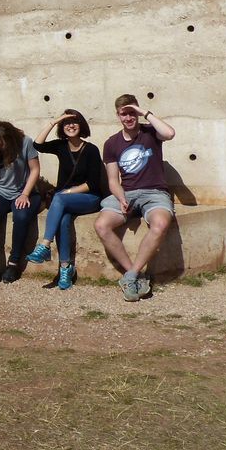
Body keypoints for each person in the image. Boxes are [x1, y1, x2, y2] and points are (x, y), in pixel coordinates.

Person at [95, 94, 177, 302]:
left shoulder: (150, 132)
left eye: (133, 112)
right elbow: (113, 180)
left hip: (154, 192)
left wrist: (146, 114)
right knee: (102, 225)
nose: (129, 118)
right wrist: (121, 198)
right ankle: (134, 274)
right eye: (125, 113)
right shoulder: (111, 143)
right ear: (118, 116)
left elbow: (170, 133)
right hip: (127, 192)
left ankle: (130, 275)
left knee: (160, 224)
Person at [26, 109, 106, 289]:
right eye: (66, 123)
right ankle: (65, 268)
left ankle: (45, 245)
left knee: (59, 199)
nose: (70, 125)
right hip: (66, 200)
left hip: (89, 197)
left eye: (74, 122)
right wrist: (55, 121)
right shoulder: (61, 146)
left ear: (82, 125)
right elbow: (38, 144)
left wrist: (67, 193)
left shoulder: (91, 150)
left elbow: (92, 184)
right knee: (63, 221)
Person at [0, 121, 41, 290]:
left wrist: (25, 194)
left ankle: (13, 263)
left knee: (21, 216)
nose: (1, 148)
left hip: (25, 191)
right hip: (1, 192)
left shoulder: (25, 142)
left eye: (3, 145)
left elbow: (35, 169)